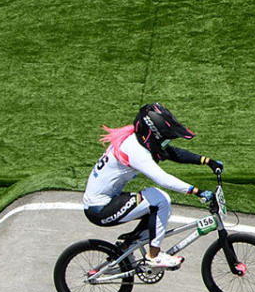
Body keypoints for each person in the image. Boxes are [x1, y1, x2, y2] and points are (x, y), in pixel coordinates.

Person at [81, 103, 219, 269]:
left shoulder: (135, 138)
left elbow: (171, 153)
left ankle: (124, 248)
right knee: (160, 200)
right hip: (100, 209)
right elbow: (163, 179)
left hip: (104, 203)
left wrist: (206, 161)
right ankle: (154, 255)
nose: (164, 142)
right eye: (163, 138)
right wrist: (197, 191)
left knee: (152, 207)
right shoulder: (136, 151)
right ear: (153, 134)